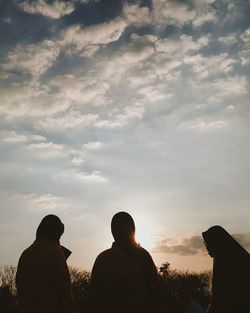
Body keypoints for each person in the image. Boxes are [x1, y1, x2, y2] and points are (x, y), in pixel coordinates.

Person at [90, 212, 163, 313]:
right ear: (133, 230)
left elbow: (94, 298)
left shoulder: (103, 259)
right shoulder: (143, 256)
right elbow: (156, 293)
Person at [16, 214, 75, 313]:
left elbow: (19, 284)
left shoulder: (25, 254)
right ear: (55, 233)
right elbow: (64, 289)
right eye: (60, 235)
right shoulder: (55, 252)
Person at [202, 225, 250, 313]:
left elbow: (222, 298)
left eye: (207, 243)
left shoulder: (227, 262)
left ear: (216, 243)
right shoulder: (221, 258)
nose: (206, 247)